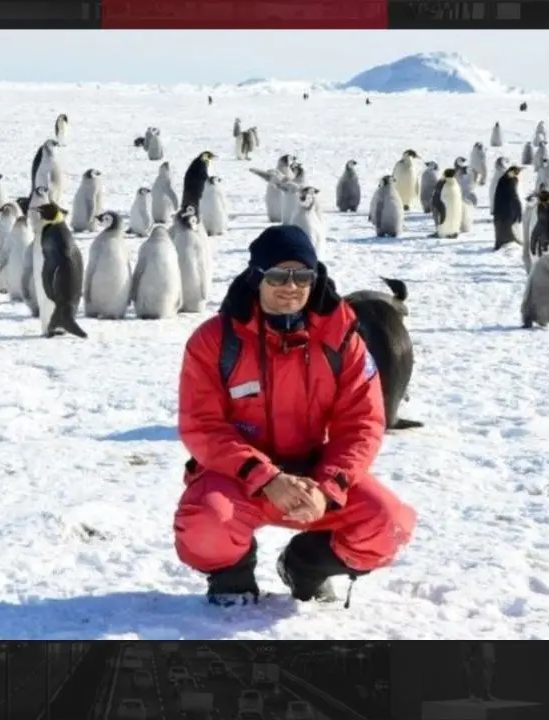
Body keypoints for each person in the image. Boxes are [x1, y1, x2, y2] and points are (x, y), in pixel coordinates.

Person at [173, 225, 416, 607]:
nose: (292, 285)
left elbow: (362, 424)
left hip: (315, 475)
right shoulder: (215, 340)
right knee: (206, 523)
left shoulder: (342, 339)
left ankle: (307, 565)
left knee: (389, 523)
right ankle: (233, 576)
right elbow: (201, 425)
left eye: (302, 275)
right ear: (257, 277)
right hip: (238, 475)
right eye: (278, 275)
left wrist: (328, 488)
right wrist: (265, 477)